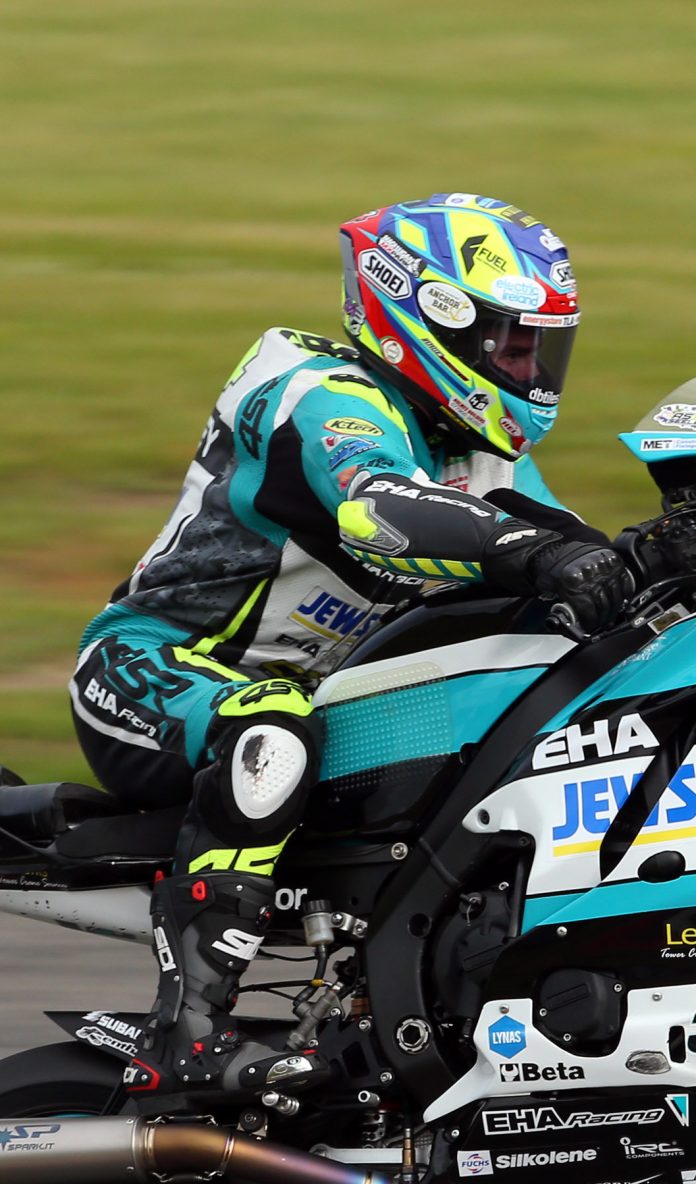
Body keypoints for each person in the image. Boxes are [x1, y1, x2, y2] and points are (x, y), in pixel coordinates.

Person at [67, 193, 628, 1104]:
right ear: (429, 317)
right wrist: (538, 553)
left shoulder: (474, 443)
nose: (532, 371)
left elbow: (570, 545)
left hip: (330, 705)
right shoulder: (318, 390)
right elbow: (377, 504)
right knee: (271, 729)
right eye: (514, 346)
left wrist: (667, 562)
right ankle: (190, 1025)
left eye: (543, 349)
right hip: (155, 672)